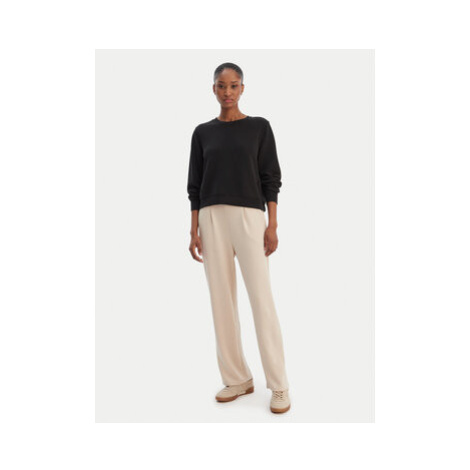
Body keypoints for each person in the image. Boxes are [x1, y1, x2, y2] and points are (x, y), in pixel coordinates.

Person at [187, 62, 290, 414]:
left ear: (242, 88)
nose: (227, 91)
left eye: (233, 85)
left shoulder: (259, 127)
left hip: (249, 216)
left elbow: (271, 177)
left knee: (261, 299)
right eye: (221, 85)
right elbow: (194, 184)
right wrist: (193, 228)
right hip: (211, 217)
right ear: (213, 89)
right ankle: (237, 378)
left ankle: (279, 385)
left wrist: (272, 224)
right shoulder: (202, 133)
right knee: (221, 300)